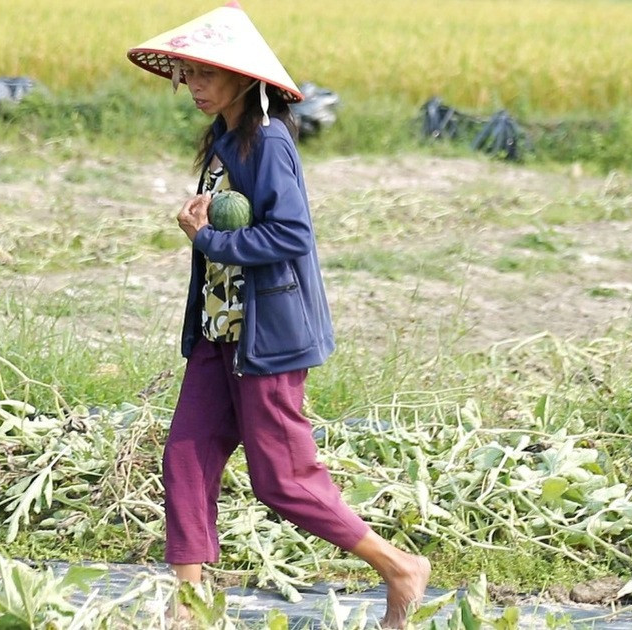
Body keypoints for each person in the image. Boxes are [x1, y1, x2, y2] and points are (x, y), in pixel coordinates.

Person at [127, 3, 431, 627]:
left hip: (268, 336)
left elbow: (291, 234)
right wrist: (203, 228)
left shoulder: (267, 140)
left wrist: (208, 238)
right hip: (221, 331)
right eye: (187, 74)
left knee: (282, 480)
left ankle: (399, 566)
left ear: (244, 77)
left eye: (206, 74)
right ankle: (190, 607)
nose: (194, 87)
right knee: (185, 456)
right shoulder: (221, 139)